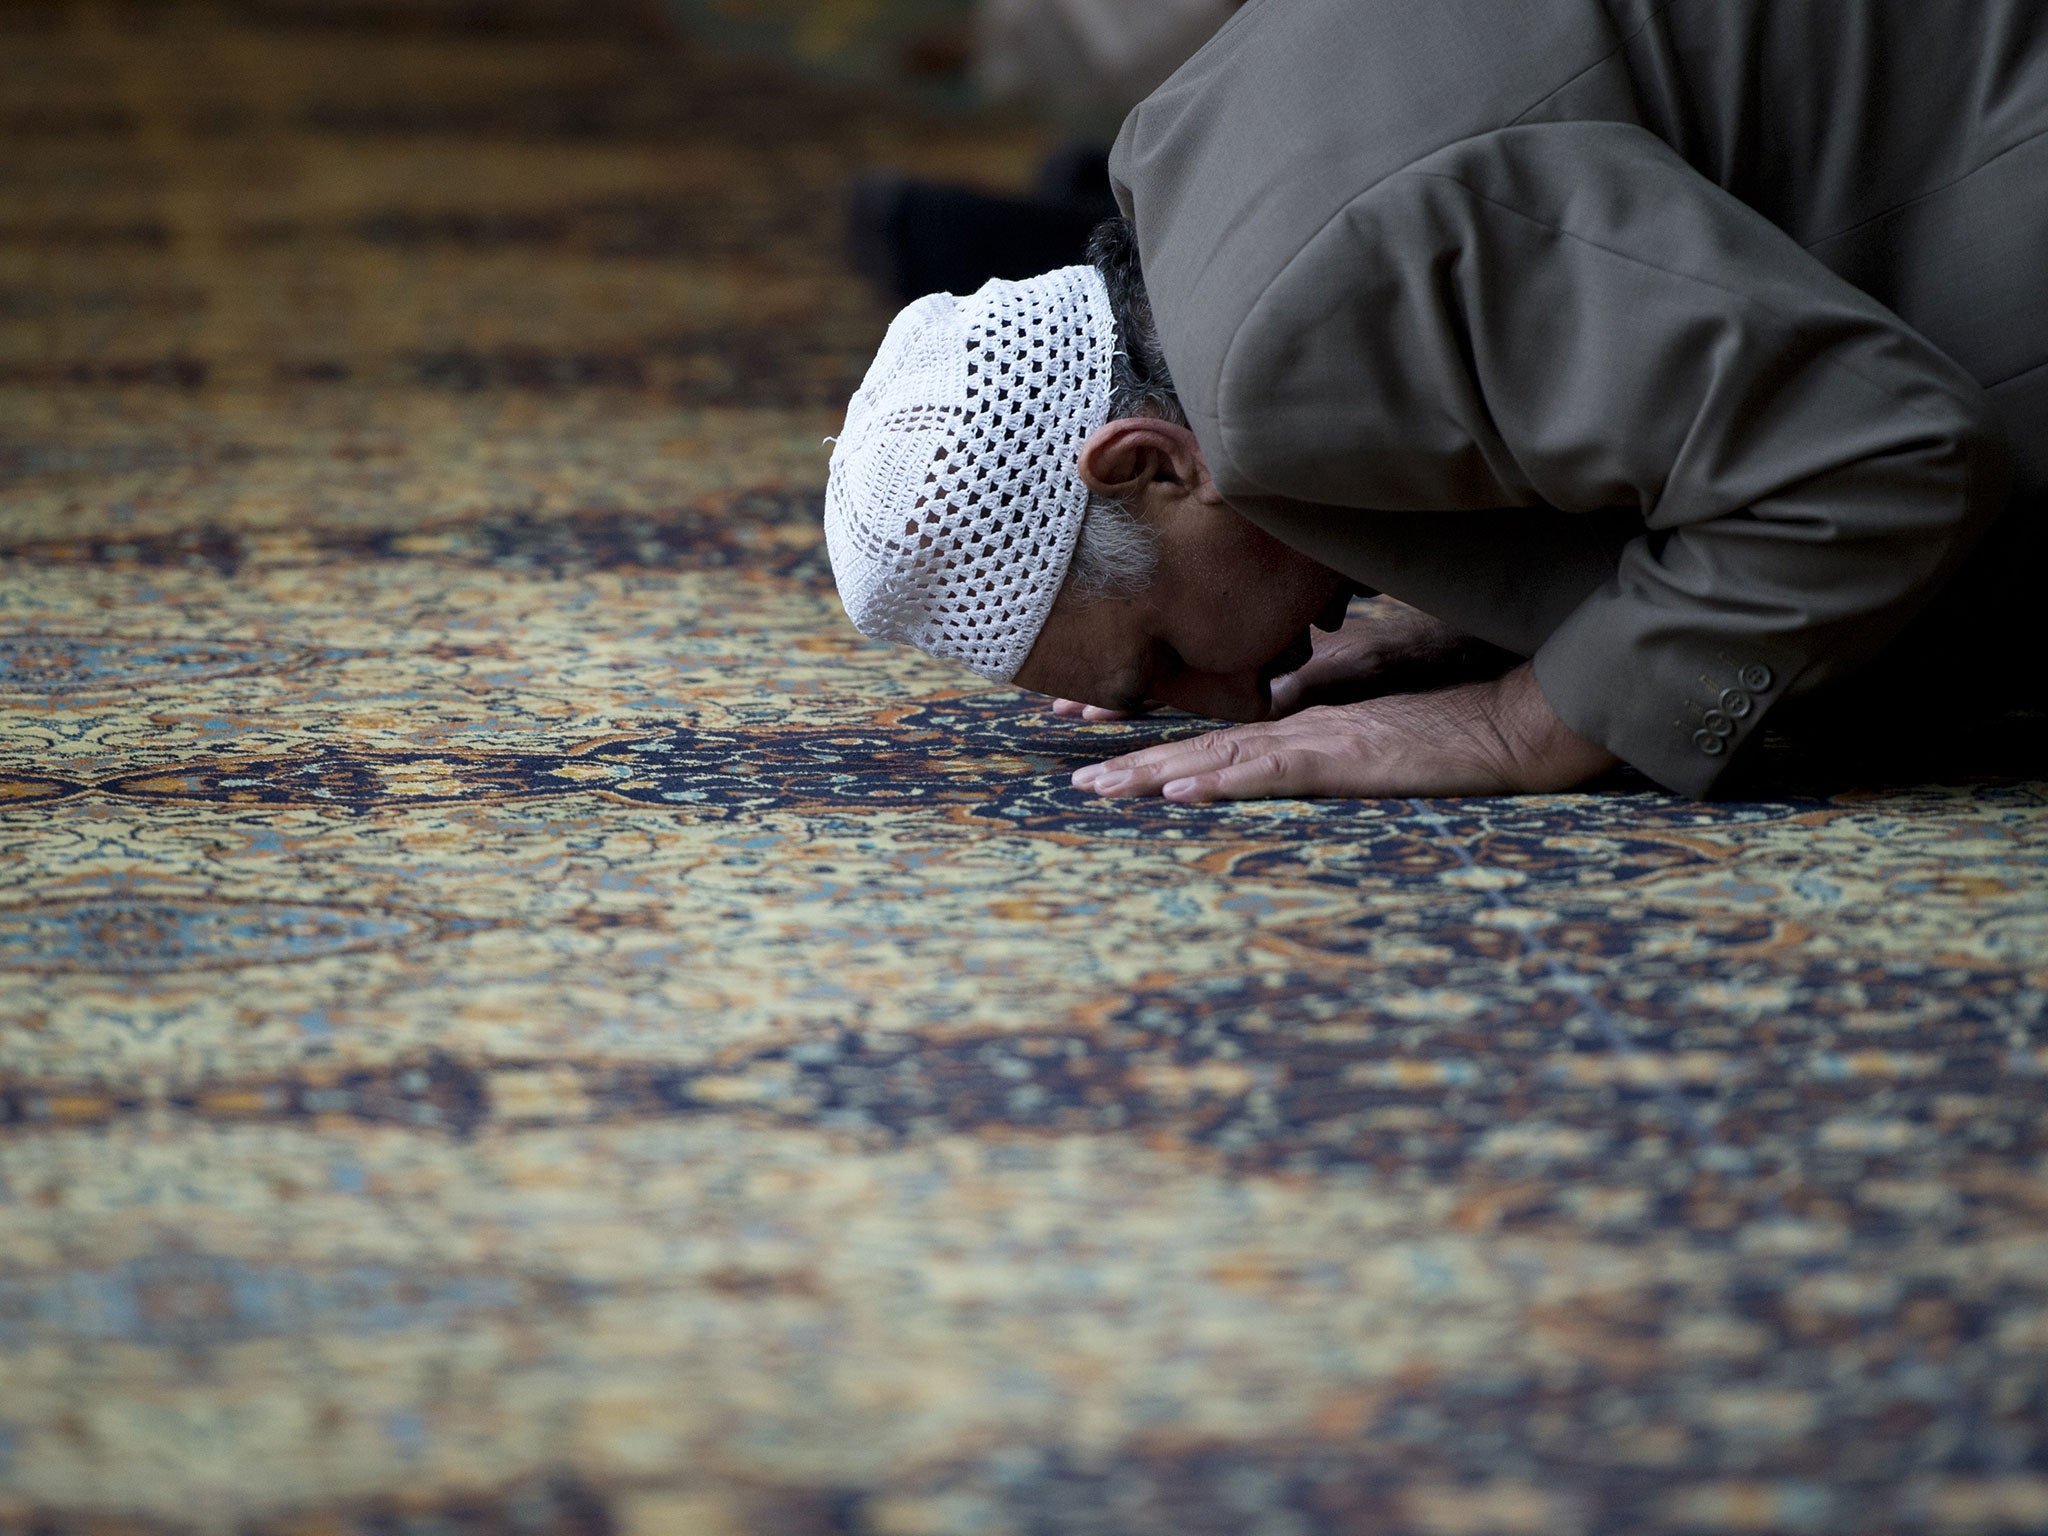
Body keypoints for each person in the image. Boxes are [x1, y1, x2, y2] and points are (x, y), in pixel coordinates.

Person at [825, 0, 2047, 802]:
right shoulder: (1177, 153)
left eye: (1166, 659)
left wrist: (1527, 719)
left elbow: (1878, 459)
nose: (1237, 702)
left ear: (1148, 464)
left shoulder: (1288, 339)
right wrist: (1499, 616)